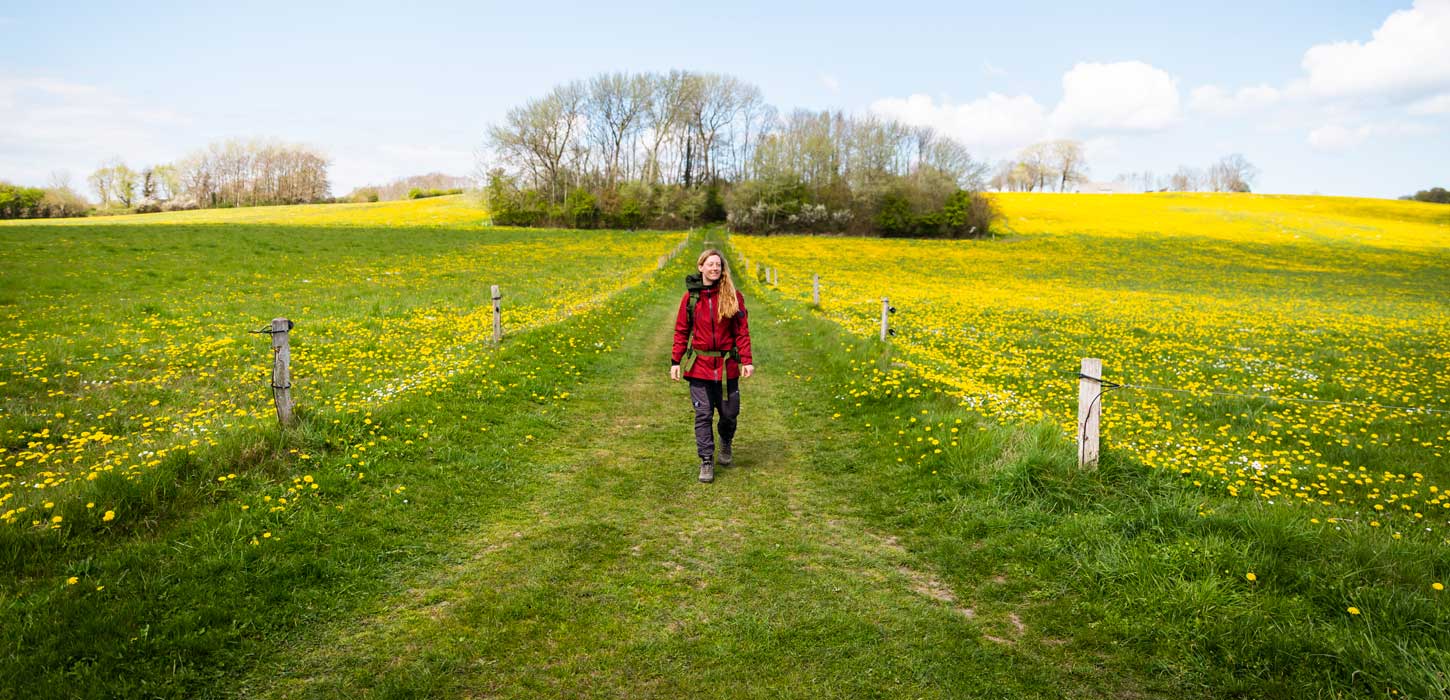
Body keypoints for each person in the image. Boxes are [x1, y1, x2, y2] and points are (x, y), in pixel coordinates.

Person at [670, 249, 754, 483]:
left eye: (718, 265)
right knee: (703, 414)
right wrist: (675, 361)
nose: (715, 268)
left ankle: (726, 442)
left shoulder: (733, 296)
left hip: (727, 368)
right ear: (701, 267)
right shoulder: (691, 299)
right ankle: (706, 460)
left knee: (729, 413)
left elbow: (742, 331)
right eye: (710, 264)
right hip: (700, 367)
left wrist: (746, 360)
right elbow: (681, 331)